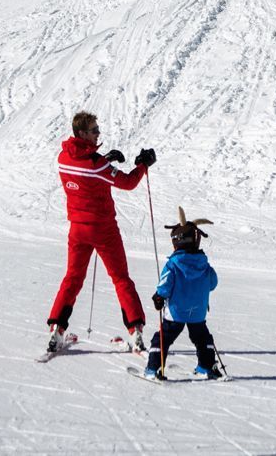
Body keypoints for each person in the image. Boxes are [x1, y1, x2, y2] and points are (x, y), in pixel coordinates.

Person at [47, 111, 156, 353]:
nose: (98, 134)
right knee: (120, 279)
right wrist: (143, 165)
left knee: (72, 279)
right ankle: (135, 332)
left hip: (77, 230)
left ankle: (56, 330)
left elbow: (85, 169)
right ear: (83, 133)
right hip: (104, 231)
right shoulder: (97, 165)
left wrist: (104, 158)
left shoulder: (64, 157)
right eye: (94, 130)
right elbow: (127, 183)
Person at [143, 206, 224, 380]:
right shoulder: (204, 265)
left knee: (163, 338)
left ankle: (153, 368)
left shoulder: (173, 264)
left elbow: (165, 283)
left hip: (176, 312)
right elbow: (213, 283)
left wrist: (159, 296)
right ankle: (207, 366)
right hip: (197, 312)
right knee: (202, 338)